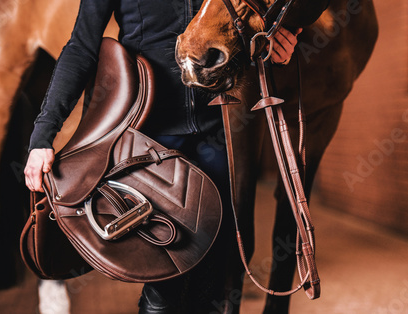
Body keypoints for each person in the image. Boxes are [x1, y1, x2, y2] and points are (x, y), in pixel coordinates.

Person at [24, 0, 301, 312]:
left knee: (218, 281)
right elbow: (81, 47)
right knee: (164, 287)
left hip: (220, 131)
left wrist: (274, 40)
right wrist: (43, 134)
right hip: (149, 142)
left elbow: (245, 18)